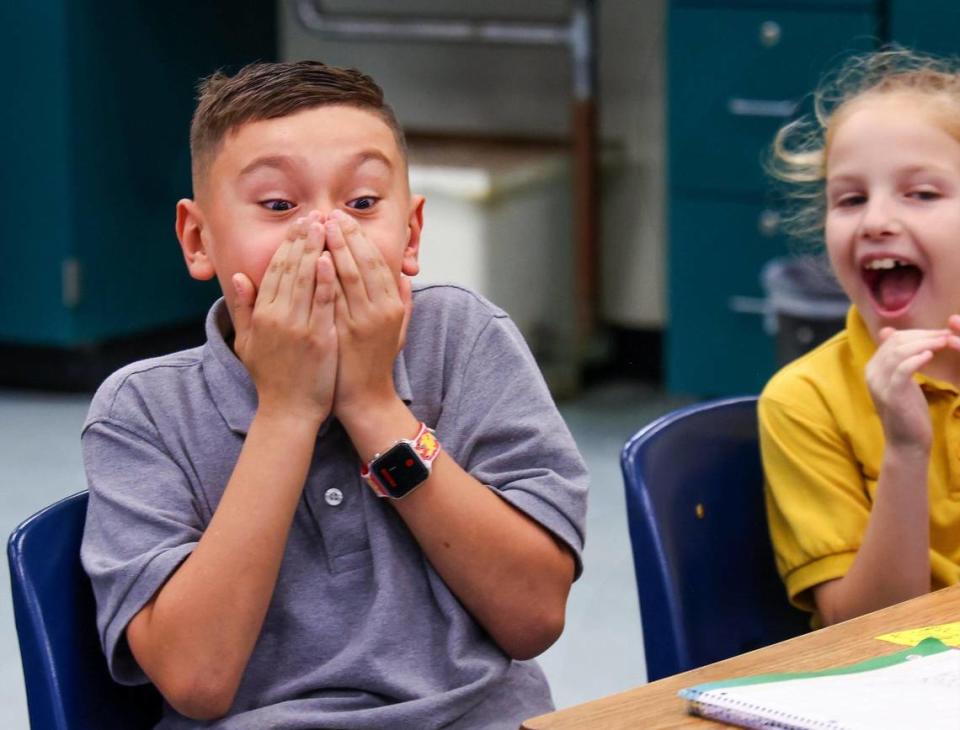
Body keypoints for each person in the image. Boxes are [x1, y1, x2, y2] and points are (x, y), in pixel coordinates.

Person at [80, 60, 588, 729]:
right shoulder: (141, 411)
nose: (323, 233)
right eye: (279, 205)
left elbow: (533, 617)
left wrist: (373, 403)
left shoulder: (464, 339)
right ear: (198, 240)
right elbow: (197, 680)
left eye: (362, 203)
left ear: (410, 232)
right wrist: (288, 409)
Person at [760, 48, 960, 629]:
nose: (875, 221)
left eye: (920, 194)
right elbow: (865, 631)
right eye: (849, 199)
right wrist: (905, 450)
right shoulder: (803, 401)